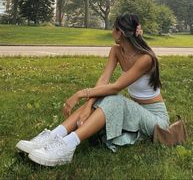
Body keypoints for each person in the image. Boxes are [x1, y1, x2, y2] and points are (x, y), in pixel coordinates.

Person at [16, 13, 169, 166]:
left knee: (115, 100)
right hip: (137, 111)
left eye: (113, 28)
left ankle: (68, 145)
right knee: (105, 97)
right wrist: (88, 105)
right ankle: (55, 135)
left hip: (155, 120)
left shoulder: (145, 59)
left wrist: (80, 93)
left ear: (120, 33)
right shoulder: (116, 51)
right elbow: (104, 80)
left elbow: (116, 87)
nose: (111, 32)